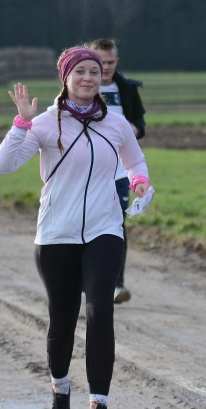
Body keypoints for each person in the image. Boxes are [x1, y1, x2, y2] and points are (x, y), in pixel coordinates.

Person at [0, 47, 152, 409]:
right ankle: (60, 391)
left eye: (94, 71)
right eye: (80, 71)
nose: (88, 77)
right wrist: (21, 124)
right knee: (63, 321)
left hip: (104, 230)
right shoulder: (45, 123)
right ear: (65, 77)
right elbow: (3, 166)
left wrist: (139, 182)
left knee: (100, 311)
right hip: (56, 235)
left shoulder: (115, 123)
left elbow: (135, 161)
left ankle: (98, 406)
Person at [90, 38, 146, 305]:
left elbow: (140, 122)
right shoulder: (81, 86)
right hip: (87, 171)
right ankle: (86, 282)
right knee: (87, 224)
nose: (106, 67)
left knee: (116, 226)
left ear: (117, 62)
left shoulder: (127, 89)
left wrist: (135, 129)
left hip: (119, 172)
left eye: (110, 62)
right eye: (101, 62)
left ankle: (116, 284)